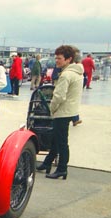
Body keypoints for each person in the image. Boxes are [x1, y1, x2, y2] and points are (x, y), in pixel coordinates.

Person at [36, 45, 83, 180]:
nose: (57, 60)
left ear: (68, 59)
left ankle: (62, 168)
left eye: (59, 58)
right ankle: (47, 162)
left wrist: (52, 108)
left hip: (62, 111)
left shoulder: (66, 75)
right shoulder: (77, 72)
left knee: (61, 141)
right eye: (56, 58)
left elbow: (59, 96)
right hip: (70, 110)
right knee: (57, 140)